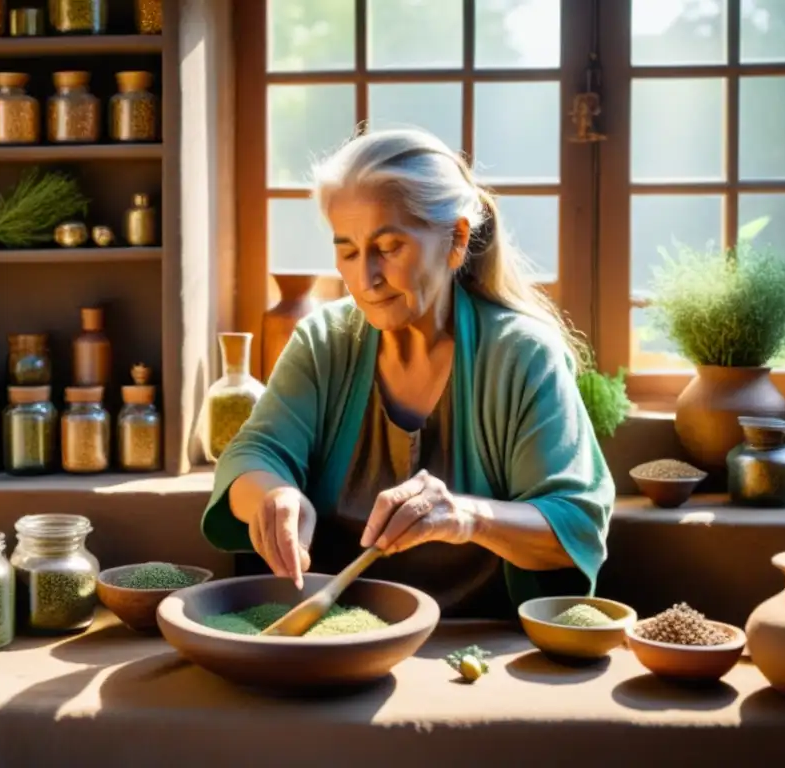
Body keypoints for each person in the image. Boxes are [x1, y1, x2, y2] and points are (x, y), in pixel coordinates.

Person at [202, 128, 615, 618]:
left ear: (456, 240)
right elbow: (254, 453)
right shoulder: (322, 342)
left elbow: (575, 526)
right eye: (349, 251)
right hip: (333, 640)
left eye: (389, 246)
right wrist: (273, 494)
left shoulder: (522, 355)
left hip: (475, 650)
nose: (365, 278)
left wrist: (466, 517)